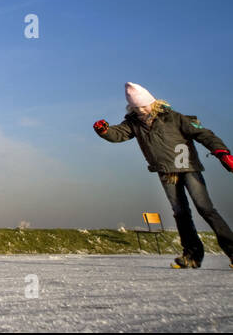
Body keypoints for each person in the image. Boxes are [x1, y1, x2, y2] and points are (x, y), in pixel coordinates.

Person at [94, 82, 233, 269]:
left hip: (188, 167)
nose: (142, 110)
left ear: (153, 102)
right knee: (181, 212)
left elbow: (203, 133)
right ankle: (192, 255)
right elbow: (118, 134)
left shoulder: (173, 118)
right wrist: (104, 131)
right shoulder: (134, 123)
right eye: (136, 108)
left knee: (205, 208)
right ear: (131, 107)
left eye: (144, 106)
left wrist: (221, 152)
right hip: (166, 172)